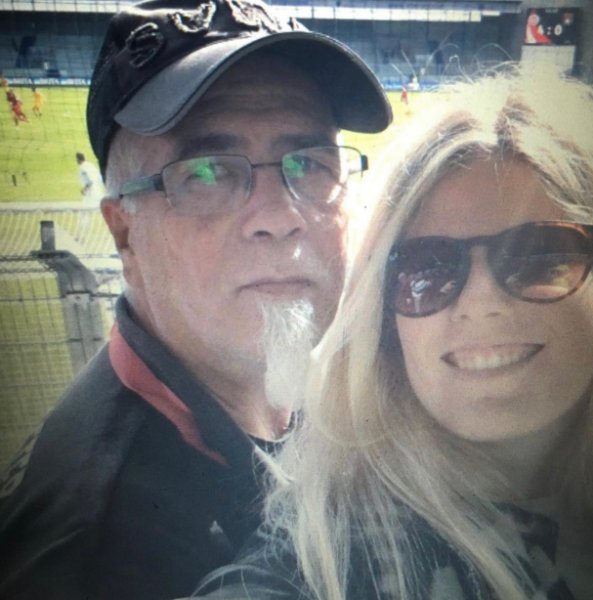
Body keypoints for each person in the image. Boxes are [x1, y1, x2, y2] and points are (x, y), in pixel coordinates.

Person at [0, 0, 391, 599]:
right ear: (125, 235)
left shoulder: (332, 384)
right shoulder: (94, 557)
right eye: (206, 174)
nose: (280, 216)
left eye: (310, 164)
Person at [196, 66, 593, 599]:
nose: (482, 303)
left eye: (539, 256)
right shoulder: (328, 557)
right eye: (426, 269)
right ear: (386, 321)